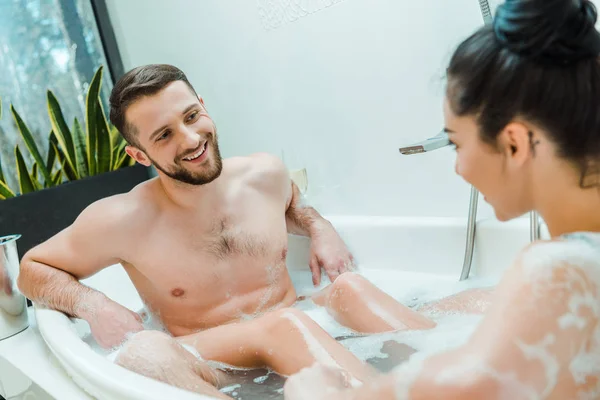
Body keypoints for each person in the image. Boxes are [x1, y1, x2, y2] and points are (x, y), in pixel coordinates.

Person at [16, 63, 468, 399]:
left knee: (352, 288)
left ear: (205, 108)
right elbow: (32, 268)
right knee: (149, 353)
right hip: (215, 362)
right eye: (164, 136)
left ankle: (469, 377)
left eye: (191, 117)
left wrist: (319, 227)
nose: (190, 140)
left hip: (311, 332)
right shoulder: (120, 220)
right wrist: (92, 303)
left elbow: (292, 201)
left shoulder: (264, 174)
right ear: (139, 156)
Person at [283, 0, 600, 399]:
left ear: (515, 144)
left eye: (456, 143)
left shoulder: (562, 267)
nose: (459, 169)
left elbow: (466, 386)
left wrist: (317, 392)